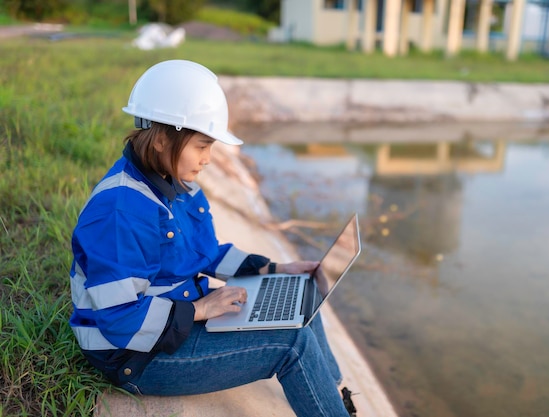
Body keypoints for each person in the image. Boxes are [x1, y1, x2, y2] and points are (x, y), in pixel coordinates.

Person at [69, 59, 351, 417]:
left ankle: (336, 392)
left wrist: (277, 268)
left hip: (174, 316)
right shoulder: (122, 209)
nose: (208, 159)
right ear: (160, 139)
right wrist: (201, 309)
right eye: (202, 146)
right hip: (136, 355)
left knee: (300, 290)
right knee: (291, 343)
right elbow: (119, 317)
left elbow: (206, 254)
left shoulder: (176, 184)